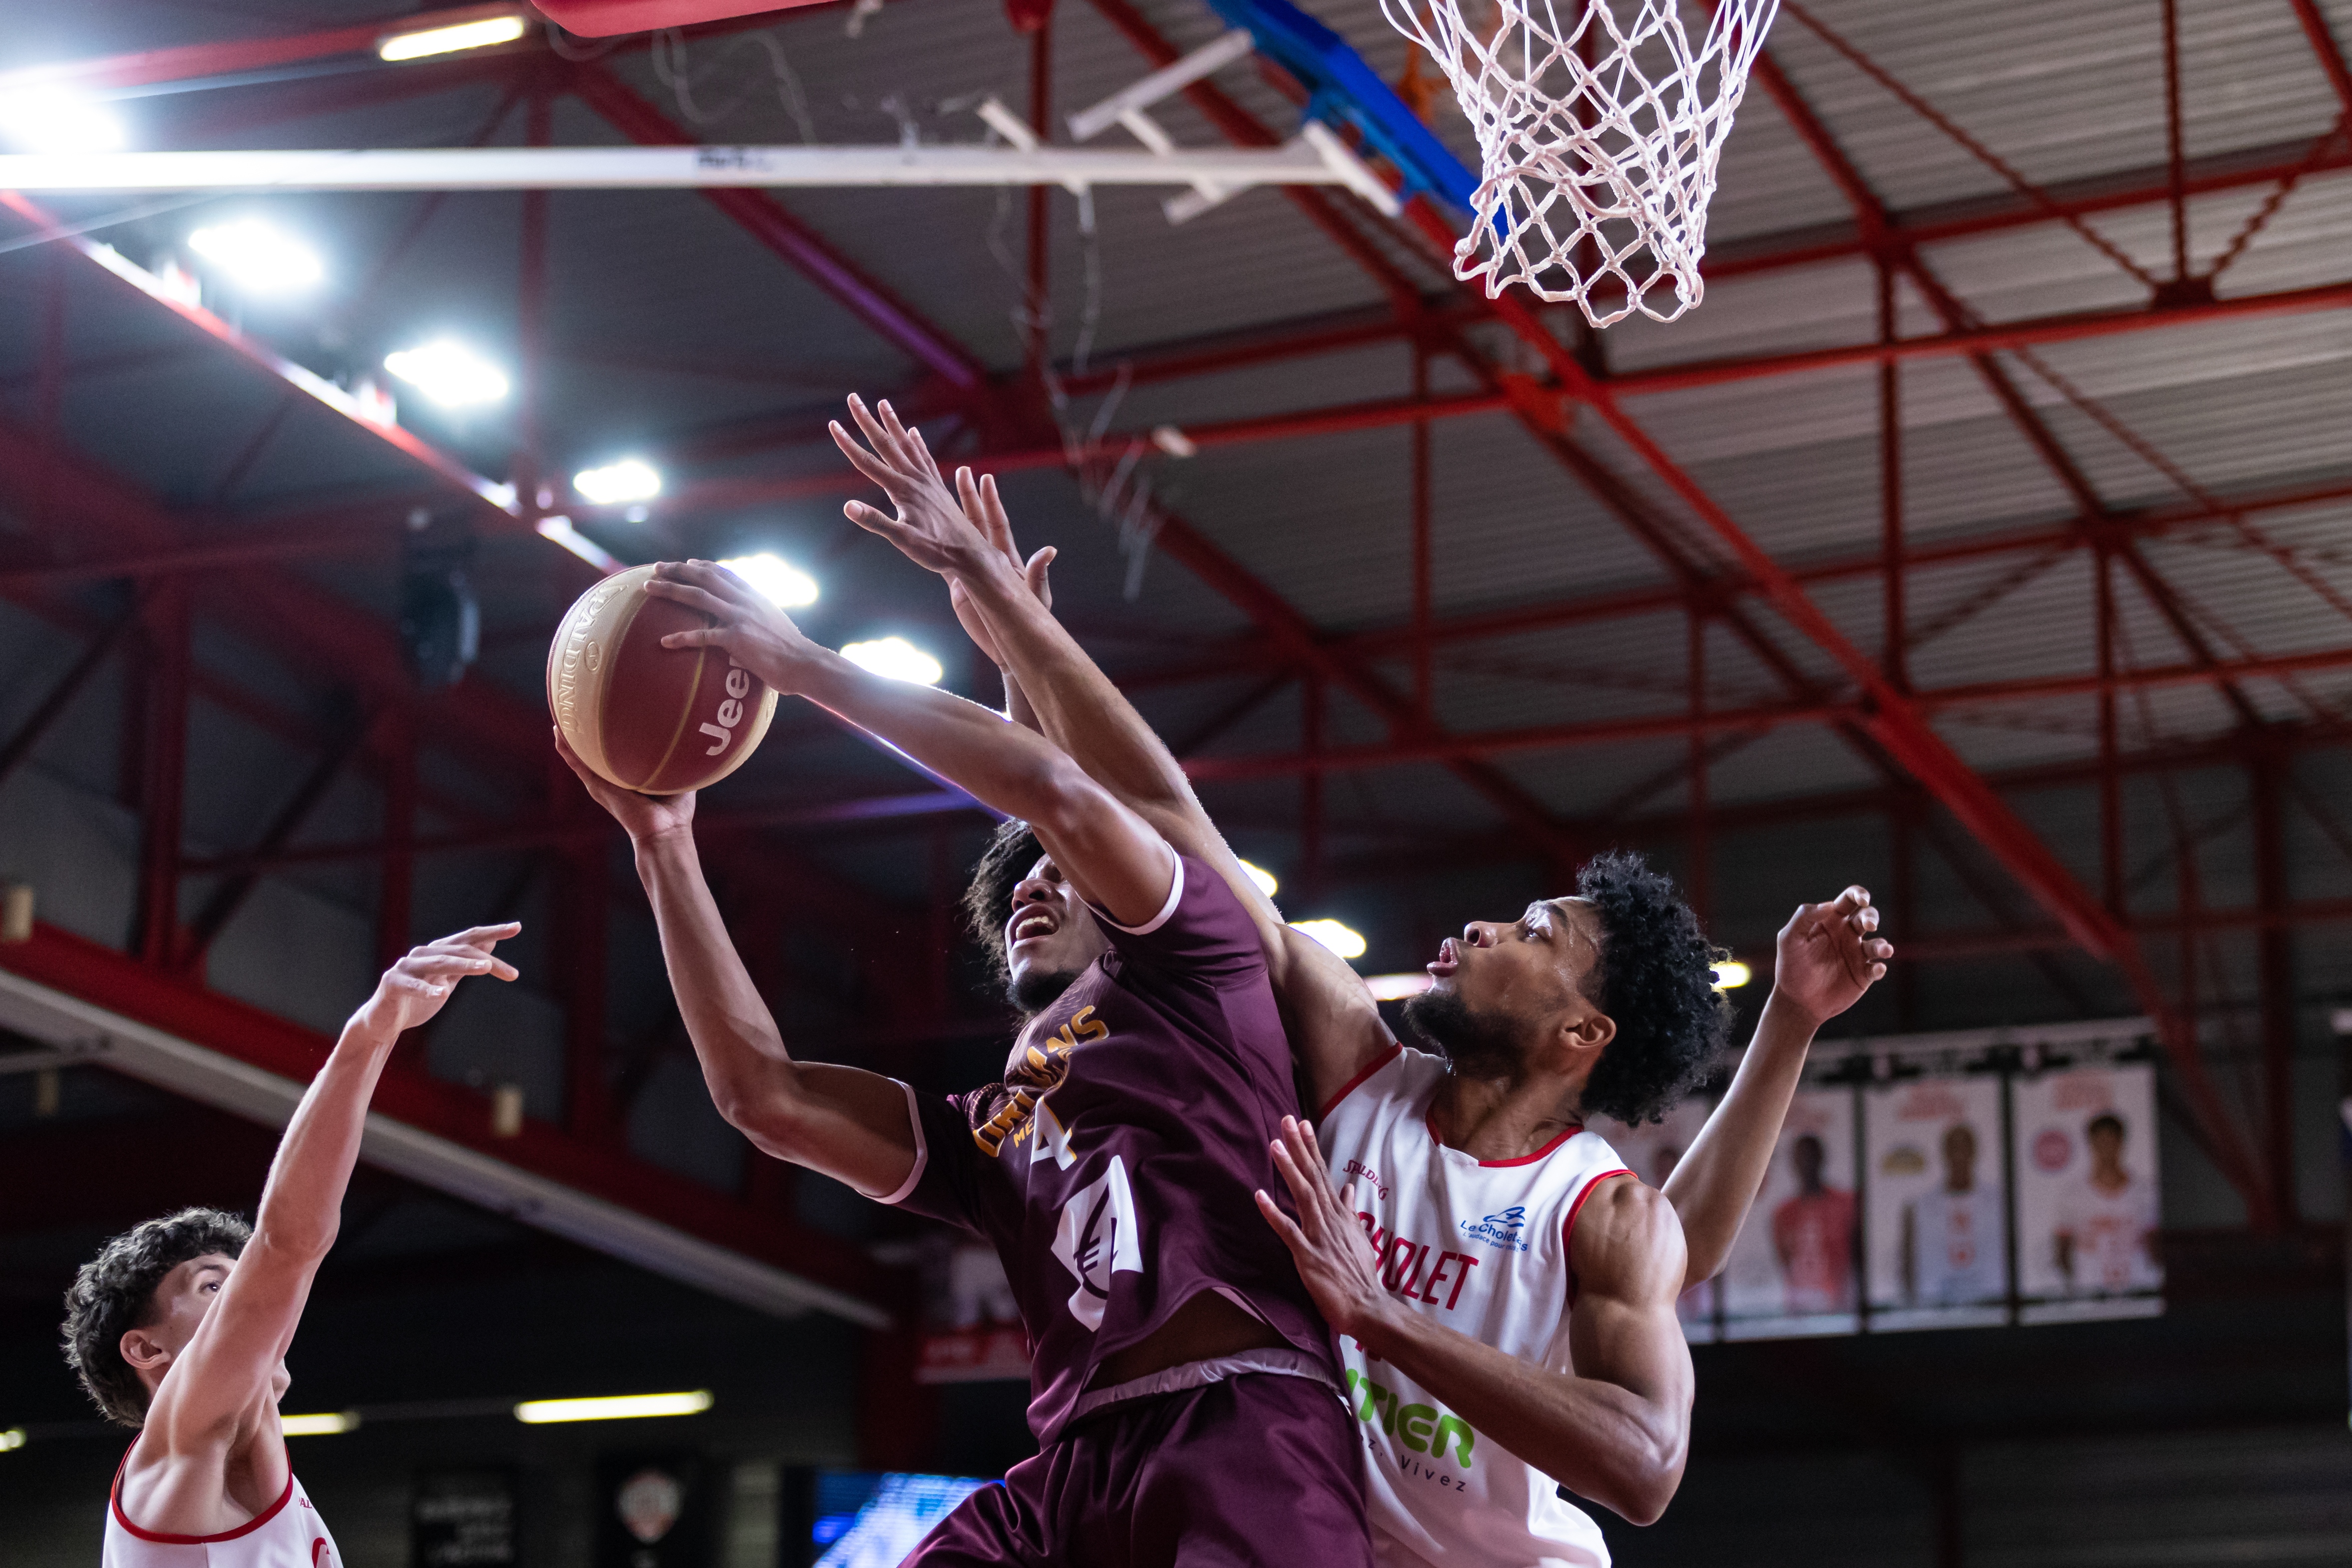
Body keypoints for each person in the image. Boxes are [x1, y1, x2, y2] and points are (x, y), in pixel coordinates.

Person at [827, 395, 1893, 1566]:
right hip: (1295, 1522)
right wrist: (1020, 636)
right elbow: (1175, 835)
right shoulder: (1349, 1059)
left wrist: (1378, 1314)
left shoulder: (1597, 1210)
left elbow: (1642, 1465)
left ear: (1581, 1029)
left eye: (1535, 930)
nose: (1487, 922)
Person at [555, 566, 1372, 1568]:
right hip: (1072, 1467)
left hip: (1246, 1428)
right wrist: (664, 845)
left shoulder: (1199, 967)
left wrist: (813, 668)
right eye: (1016, 875)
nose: (1031, 880)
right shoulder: (991, 1131)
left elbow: (1057, 790)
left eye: (1055, 869)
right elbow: (763, 1096)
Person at [60, 925, 521, 1567]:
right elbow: (289, 1244)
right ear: (146, 1348)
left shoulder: (251, 1472)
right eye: (213, 1286)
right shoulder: (182, 1443)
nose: (251, 1298)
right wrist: (371, 1034)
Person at [2055, 1113, 2159, 1294]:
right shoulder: (2073, 1194)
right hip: (2090, 1297)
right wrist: (2079, 1286)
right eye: (2100, 1141)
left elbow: (2155, 1246)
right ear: (2092, 1144)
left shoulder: (2145, 1191)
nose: (2106, 1148)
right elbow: (2063, 1250)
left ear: (2121, 1142)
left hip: (2136, 1294)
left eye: (2111, 1140)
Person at [1901, 1122, 2004, 1306]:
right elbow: (1907, 1265)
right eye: (1953, 1149)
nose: (1959, 1156)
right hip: (1936, 1313)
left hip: (1990, 1309)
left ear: (1974, 1153)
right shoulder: (1920, 1207)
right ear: (1944, 1154)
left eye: (1965, 1149)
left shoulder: (1998, 1202)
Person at [1769, 1134, 1858, 1315]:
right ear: (1793, 1164)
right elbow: (1784, 1263)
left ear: (1821, 1159)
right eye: (1800, 1159)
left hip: (1842, 1309)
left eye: (1811, 1157)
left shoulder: (1846, 1204)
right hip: (1800, 1312)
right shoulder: (1783, 1213)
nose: (1806, 1165)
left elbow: (1857, 1257)